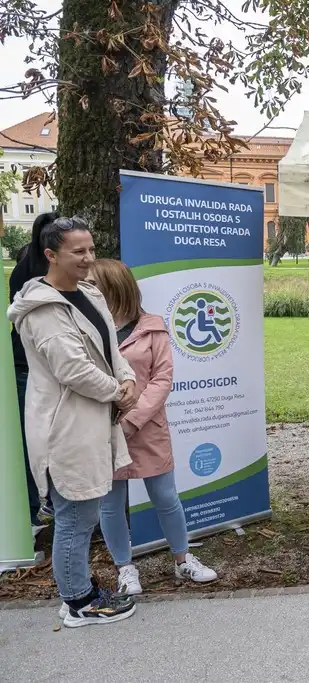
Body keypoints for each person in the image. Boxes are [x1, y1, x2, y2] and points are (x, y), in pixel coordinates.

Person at [7, 217, 139, 627]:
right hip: (65, 426)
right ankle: (78, 602)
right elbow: (74, 369)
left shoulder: (89, 294)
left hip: (93, 420)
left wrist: (129, 377)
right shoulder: (42, 309)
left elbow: (111, 350)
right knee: (75, 516)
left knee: (85, 511)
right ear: (51, 255)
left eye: (90, 249)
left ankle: (78, 592)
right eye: (78, 252)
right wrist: (118, 392)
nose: (88, 259)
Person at [88, 259, 218, 595]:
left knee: (165, 496)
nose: (87, 289)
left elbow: (162, 379)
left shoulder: (153, 327)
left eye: (94, 284)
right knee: (110, 503)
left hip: (147, 428)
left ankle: (182, 559)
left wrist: (132, 420)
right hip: (102, 430)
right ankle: (125, 568)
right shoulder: (86, 328)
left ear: (113, 288)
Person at [8, 212, 59, 527]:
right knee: (57, 440)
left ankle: (36, 511)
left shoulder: (25, 264)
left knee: (32, 443)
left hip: (23, 367)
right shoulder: (48, 279)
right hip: (43, 370)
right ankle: (54, 504)